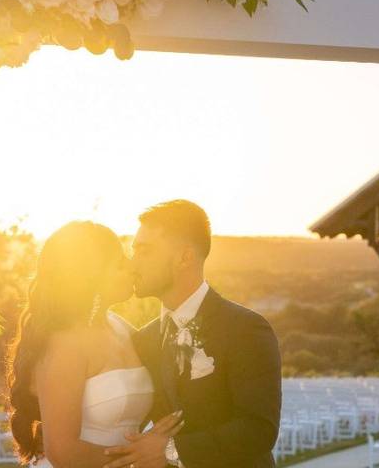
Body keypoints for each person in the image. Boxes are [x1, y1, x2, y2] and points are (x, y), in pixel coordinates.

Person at [104, 200, 282, 468]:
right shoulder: (144, 339)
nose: (133, 263)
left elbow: (259, 430)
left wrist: (171, 451)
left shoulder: (246, 329)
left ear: (184, 257)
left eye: (144, 251)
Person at [5, 220, 182, 467]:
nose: (131, 267)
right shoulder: (65, 343)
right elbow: (62, 451)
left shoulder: (121, 328)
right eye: (120, 264)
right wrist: (139, 455)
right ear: (93, 277)